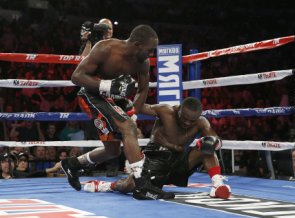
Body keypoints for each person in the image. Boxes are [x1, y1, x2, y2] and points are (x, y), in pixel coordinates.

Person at [60, 24, 174, 200]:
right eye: (149, 50)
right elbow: (76, 76)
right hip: (91, 95)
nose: (151, 55)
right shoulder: (106, 48)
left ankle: (73, 164)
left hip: (113, 100)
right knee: (128, 128)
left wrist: (134, 112)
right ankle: (141, 184)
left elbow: (143, 90)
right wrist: (105, 85)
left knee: (113, 150)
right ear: (137, 44)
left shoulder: (142, 62)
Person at [83, 97, 231, 199]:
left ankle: (218, 185)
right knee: (131, 185)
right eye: (184, 117)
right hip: (155, 160)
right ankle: (107, 186)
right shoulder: (165, 111)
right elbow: (138, 108)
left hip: (179, 162)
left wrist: (212, 143)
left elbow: (217, 140)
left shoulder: (201, 122)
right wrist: (129, 99)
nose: (187, 123)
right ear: (179, 109)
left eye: (191, 121)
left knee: (207, 146)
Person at [80, 18, 120, 177]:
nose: (107, 30)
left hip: (110, 90)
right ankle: (87, 166)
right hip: (92, 91)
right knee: (91, 129)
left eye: (109, 28)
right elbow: (82, 62)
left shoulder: (117, 45)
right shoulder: (93, 44)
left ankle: (112, 165)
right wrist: (89, 38)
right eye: (104, 28)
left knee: (114, 128)